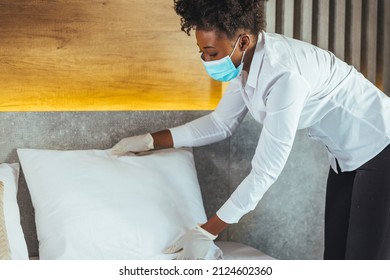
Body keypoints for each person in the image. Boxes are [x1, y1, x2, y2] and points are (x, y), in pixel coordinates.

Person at [110, 0, 390, 260]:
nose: (206, 61)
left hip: (380, 147)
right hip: (346, 157)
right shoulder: (246, 61)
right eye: (202, 52)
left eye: (211, 52)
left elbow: (266, 171)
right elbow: (221, 123)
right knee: (338, 259)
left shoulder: (284, 76)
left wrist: (207, 231)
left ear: (242, 40)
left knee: (363, 261)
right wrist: (150, 141)